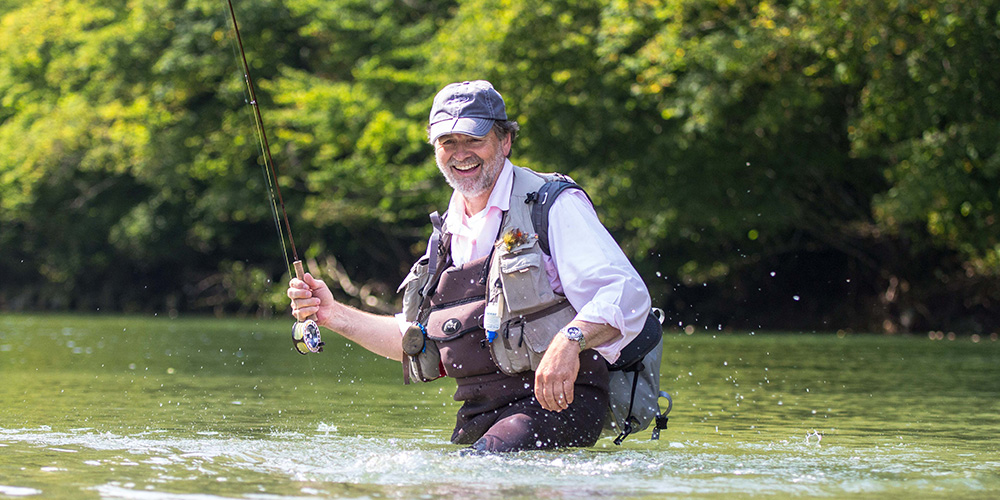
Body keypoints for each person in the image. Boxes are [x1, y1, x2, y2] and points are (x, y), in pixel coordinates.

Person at [287, 80, 651, 452]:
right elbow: (416, 340)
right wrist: (332, 315)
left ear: (505, 141)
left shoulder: (554, 204)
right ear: (434, 149)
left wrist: (569, 341)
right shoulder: (445, 234)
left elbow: (626, 295)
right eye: (448, 142)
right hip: (481, 416)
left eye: (474, 139)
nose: (461, 153)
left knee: (476, 471)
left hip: (559, 405)